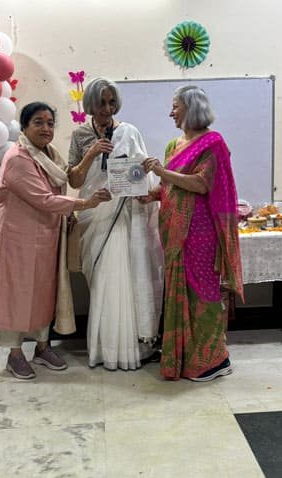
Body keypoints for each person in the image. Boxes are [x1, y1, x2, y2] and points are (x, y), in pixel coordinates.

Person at [0, 102, 111, 380]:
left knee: (43, 291)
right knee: (14, 293)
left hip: (44, 235)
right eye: (38, 122)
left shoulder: (49, 153)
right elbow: (44, 199)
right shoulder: (18, 157)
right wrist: (85, 203)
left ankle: (42, 347)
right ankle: (15, 354)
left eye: (50, 123)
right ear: (24, 127)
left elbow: (69, 178)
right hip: (14, 236)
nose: (46, 128)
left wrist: (90, 155)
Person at [141, 85, 244, 382]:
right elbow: (171, 186)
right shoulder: (174, 145)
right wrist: (151, 194)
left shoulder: (213, 142)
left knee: (203, 295)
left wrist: (161, 173)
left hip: (199, 234)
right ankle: (184, 357)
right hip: (174, 233)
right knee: (179, 294)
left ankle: (214, 360)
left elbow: (201, 184)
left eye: (175, 106)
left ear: (191, 107)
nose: (170, 112)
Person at [68, 77, 163, 371]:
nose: (107, 109)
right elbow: (75, 180)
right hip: (95, 215)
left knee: (127, 278)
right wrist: (92, 153)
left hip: (125, 216)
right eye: (101, 103)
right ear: (90, 104)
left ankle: (134, 346)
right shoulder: (80, 135)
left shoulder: (129, 131)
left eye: (111, 102)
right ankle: (105, 347)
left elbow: (140, 176)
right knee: (103, 281)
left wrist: (145, 171)